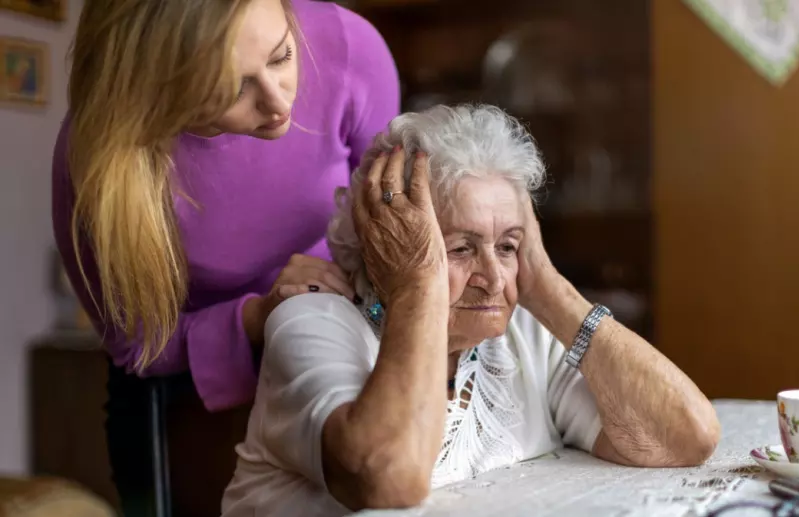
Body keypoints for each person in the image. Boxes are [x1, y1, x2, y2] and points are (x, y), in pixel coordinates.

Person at [220, 104, 721, 517]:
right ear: (383, 247)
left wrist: (547, 286)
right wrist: (419, 282)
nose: (495, 278)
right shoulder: (314, 322)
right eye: (459, 249)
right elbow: (387, 479)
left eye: (507, 246)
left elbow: (686, 438)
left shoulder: (521, 333)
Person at [50, 0, 399, 512]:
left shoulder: (348, 47)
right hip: (177, 387)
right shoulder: (97, 161)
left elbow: (391, 225)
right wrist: (257, 315)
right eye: (232, 89)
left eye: (281, 57)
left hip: (332, 344)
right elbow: (134, 343)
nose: (280, 103)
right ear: (158, 94)